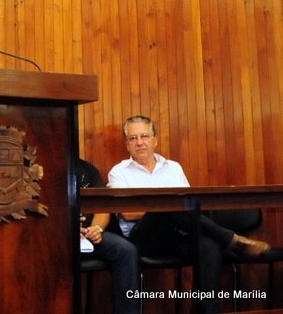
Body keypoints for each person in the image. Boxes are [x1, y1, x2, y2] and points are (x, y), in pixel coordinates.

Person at [107, 115, 270, 314]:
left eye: (144, 136)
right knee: (169, 206)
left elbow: (189, 207)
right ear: (127, 144)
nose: (139, 142)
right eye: (133, 138)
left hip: (178, 236)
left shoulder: (173, 167)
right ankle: (232, 239)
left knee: (209, 245)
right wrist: (164, 209)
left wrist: (171, 208)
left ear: (155, 140)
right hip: (144, 239)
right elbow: (127, 213)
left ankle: (207, 310)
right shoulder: (119, 172)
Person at [77, 158, 141, 314]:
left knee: (126, 250)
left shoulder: (87, 168)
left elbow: (103, 207)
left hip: (88, 234)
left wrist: (97, 228)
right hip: (56, 235)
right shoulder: (42, 167)